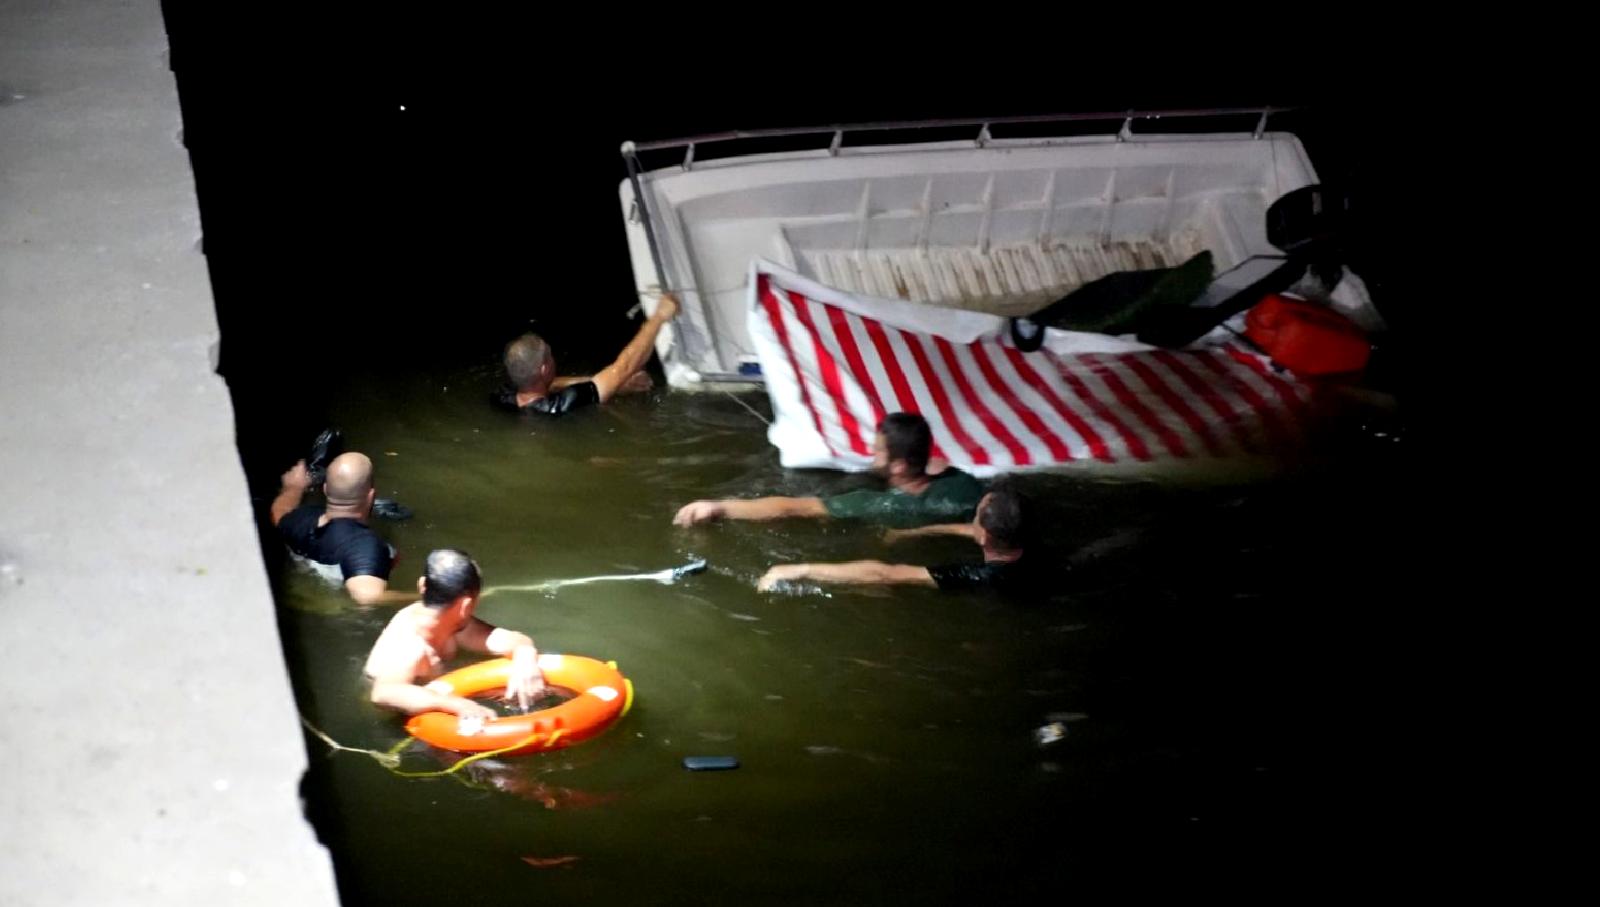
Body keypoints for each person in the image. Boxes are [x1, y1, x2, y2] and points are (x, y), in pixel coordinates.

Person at [672, 412, 984, 529]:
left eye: (877, 452)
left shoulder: (879, 503)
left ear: (899, 466)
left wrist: (719, 507)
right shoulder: (964, 485)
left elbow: (793, 507)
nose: (871, 456)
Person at [364, 549, 544, 724]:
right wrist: (456, 704)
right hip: (394, 719)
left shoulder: (456, 627)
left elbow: (513, 640)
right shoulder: (410, 645)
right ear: (466, 605)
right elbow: (383, 692)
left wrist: (525, 656)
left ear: (422, 585)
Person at [755, 485, 1035, 594]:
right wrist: (911, 532)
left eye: (974, 517)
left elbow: (886, 573)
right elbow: (967, 531)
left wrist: (798, 569)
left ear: (984, 535)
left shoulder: (974, 575)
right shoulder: (1031, 548)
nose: (968, 523)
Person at [494, 293, 679, 415]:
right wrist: (659, 317)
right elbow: (623, 368)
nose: (553, 358)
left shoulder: (503, 396)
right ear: (544, 369)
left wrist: (617, 387)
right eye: (549, 356)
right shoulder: (560, 406)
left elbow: (550, 384)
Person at [270, 451, 413, 606]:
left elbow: (278, 513)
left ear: (325, 489)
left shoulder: (301, 519)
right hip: (336, 606)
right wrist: (428, 598)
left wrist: (294, 488)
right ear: (371, 496)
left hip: (303, 596)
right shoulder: (364, 545)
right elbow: (367, 598)